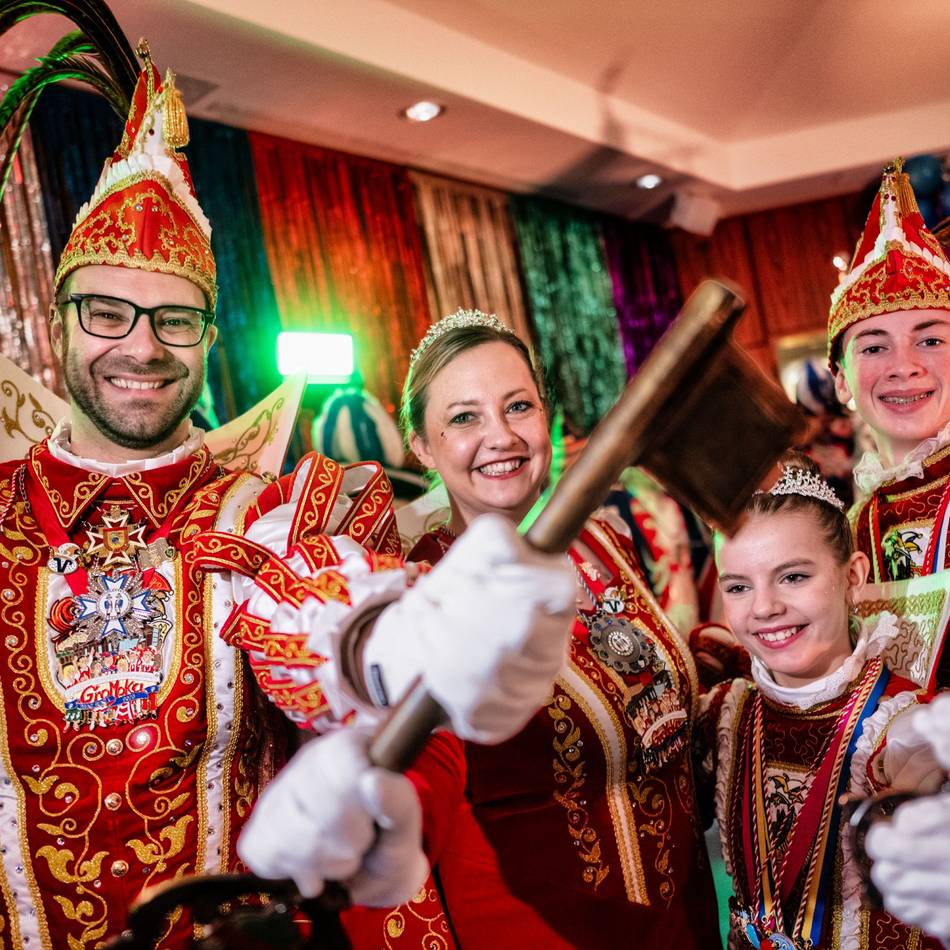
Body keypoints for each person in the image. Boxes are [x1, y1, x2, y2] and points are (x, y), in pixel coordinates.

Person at [0, 48, 576, 949]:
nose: (141, 347)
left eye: (175, 318)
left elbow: (349, 651)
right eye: (109, 312)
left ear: (208, 334)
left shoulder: (270, 518)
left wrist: (406, 672)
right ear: (62, 313)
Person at [248, 309, 722, 947]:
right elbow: (418, 755)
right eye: (464, 417)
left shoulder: (603, 544)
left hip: (685, 919)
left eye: (518, 406)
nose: (500, 436)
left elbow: (631, 696)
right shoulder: (421, 594)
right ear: (422, 444)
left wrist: (715, 667)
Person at [701, 453, 945, 949]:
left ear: (853, 577)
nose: (765, 607)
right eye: (739, 586)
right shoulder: (722, 716)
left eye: (793, 577)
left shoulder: (904, 727)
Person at [829, 159, 950, 689]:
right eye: (875, 346)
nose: (905, 365)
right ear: (841, 382)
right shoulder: (847, 532)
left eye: (931, 339)